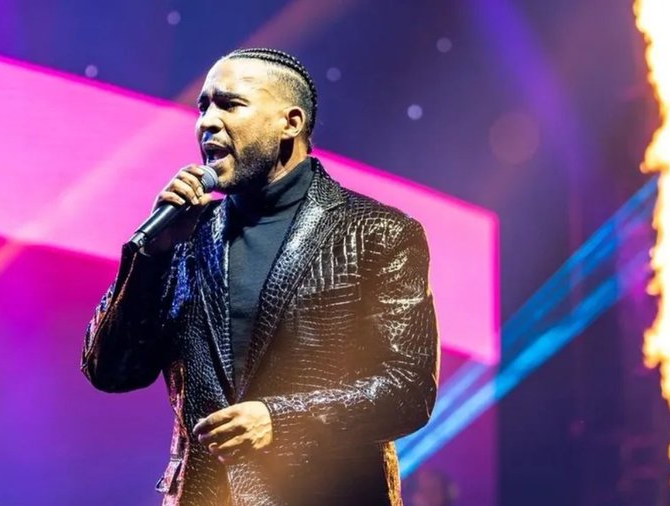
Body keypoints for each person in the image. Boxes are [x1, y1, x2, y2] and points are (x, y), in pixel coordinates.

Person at [81, 47, 439, 505]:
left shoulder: (377, 232)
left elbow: (408, 389)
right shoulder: (185, 235)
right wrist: (150, 257)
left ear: (290, 123)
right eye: (203, 107)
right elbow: (110, 370)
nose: (207, 122)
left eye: (229, 104)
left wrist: (282, 420)